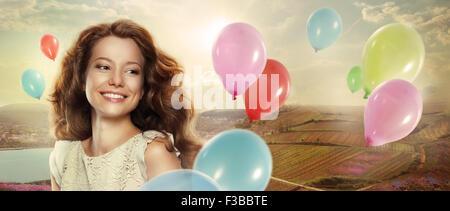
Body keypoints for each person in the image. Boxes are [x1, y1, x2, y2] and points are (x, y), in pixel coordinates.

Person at [48, 19, 202, 190]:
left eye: (131, 71)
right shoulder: (63, 157)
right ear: (82, 79)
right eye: (104, 67)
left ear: (143, 87)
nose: (117, 80)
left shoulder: (153, 154)